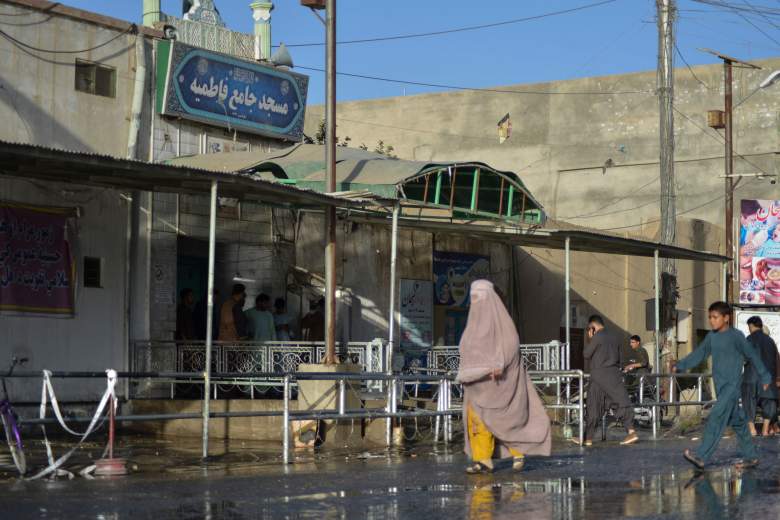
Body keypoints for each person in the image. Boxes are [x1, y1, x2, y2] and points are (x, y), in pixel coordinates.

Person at [456, 280, 551, 474]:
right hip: (477, 386)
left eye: (479, 297)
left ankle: (518, 452)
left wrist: (499, 364)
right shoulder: (472, 327)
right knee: (477, 422)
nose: (476, 302)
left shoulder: (502, 323)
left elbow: (511, 345)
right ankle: (483, 460)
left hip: (500, 385)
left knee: (506, 421)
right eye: (473, 297)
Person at [674, 302, 771, 469]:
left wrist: (765, 376)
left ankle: (701, 456)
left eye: (715, 317)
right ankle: (751, 456)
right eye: (710, 317)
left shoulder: (736, 336)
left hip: (732, 387)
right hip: (720, 386)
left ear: (726, 318)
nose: (712, 321)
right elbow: (699, 354)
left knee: (716, 416)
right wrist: (680, 365)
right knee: (739, 422)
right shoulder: (712, 337)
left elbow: (753, 356)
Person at [576, 315, 638, 447]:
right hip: (613, 374)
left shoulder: (597, 336)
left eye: (589, 328)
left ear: (593, 327)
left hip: (598, 375)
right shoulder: (615, 336)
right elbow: (621, 359)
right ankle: (631, 431)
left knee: (593, 405)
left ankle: (588, 438)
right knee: (619, 400)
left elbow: (586, 354)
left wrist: (590, 338)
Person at [741, 316, 778, 437]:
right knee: (769, 402)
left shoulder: (748, 340)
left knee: (749, 402)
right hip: (767, 379)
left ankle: (752, 429)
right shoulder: (770, 341)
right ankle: (765, 429)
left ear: (751, 326)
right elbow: (777, 361)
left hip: (751, 377)